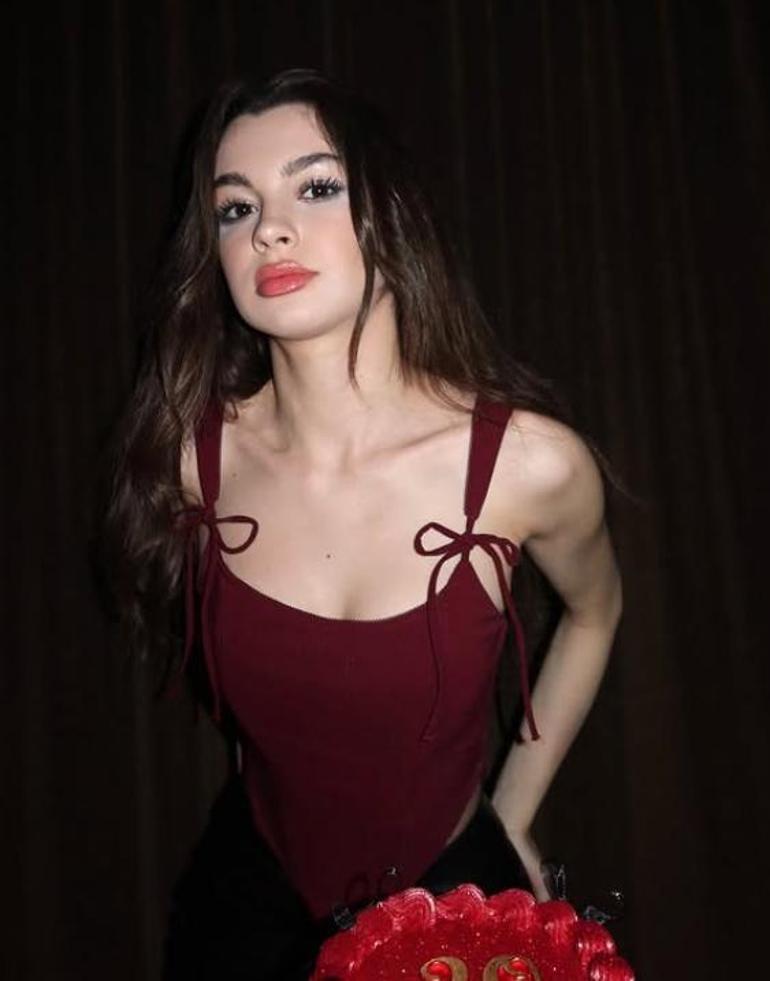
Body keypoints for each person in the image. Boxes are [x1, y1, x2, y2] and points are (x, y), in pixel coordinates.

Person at [102, 68, 622, 979]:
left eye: (315, 187)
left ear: (394, 215)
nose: (268, 229)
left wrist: (513, 811)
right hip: (246, 907)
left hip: (446, 906)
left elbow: (595, 613)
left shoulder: (525, 465)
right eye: (235, 208)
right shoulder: (191, 463)